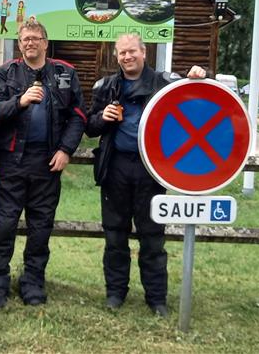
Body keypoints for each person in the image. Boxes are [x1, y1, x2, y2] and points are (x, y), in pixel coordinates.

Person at [86, 33, 206, 317]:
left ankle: (157, 299)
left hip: (151, 170)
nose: (127, 57)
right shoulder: (106, 86)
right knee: (115, 235)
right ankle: (116, 293)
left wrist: (200, 75)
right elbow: (89, 127)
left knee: (152, 237)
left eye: (132, 52)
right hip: (115, 169)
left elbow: (197, 98)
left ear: (144, 53)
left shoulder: (164, 82)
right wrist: (102, 118)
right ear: (116, 57)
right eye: (122, 53)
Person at [0, 20, 86, 309]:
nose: (30, 42)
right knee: (4, 225)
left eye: (35, 38)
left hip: (48, 163)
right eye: (25, 38)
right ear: (19, 44)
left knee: (40, 228)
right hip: (11, 162)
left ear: (45, 42)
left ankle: (32, 284)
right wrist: (21, 100)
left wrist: (66, 149)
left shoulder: (65, 72)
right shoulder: (6, 72)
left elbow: (79, 115)